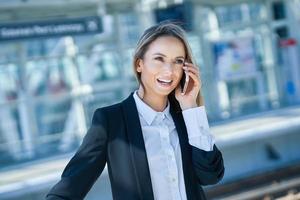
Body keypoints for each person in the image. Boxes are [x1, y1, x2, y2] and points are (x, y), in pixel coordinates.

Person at [46, 21, 224, 200]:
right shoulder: (110, 121)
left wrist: (191, 108)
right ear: (140, 64)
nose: (169, 71)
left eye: (177, 61)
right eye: (159, 59)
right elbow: (71, 184)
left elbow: (210, 176)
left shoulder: (188, 119)